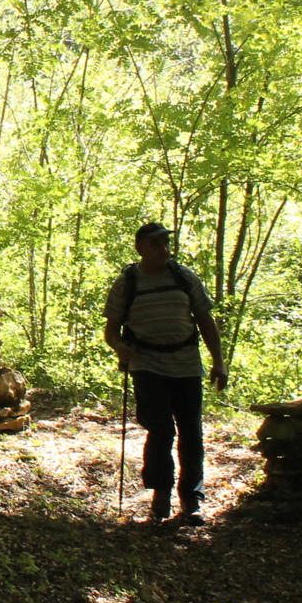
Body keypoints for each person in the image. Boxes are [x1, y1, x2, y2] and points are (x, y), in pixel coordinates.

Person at [103, 222, 229, 524]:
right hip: (148, 366)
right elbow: (111, 330)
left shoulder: (184, 277)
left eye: (165, 243)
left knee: (191, 433)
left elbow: (205, 321)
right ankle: (161, 496)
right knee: (160, 431)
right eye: (156, 244)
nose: (164, 249)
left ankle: (192, 500)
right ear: (140, 247)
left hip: (186, 365)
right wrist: (121, 348)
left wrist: (219, 362)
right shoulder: (128, 282)